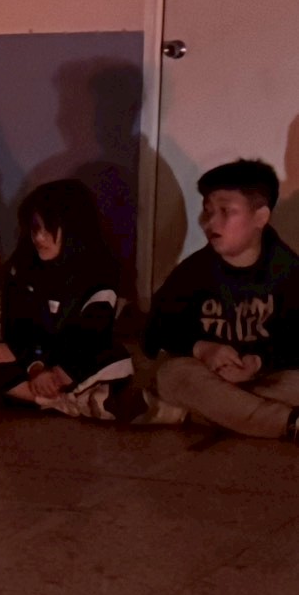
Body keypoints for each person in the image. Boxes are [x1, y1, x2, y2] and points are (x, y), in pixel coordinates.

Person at [126, 159, 299, 436]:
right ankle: (286, 423)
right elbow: (153, 333)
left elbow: (294, 342)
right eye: (207, 211)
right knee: (173, 375)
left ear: (260, 217)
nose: (210, 222)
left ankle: (209, 413)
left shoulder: (288, 271)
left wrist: (257, 363)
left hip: (262, 378)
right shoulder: (194, 271)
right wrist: (202, 349)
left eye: (226, 211)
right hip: (207, 376)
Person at [0, 180, 132, 416]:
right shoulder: (22, 267)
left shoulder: (99, 272)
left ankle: (15, 394)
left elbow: (90, 333)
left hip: (70, 362)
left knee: (111, 354)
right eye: (35, 229)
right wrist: (34, 365)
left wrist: (52, 370)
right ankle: (54, 401)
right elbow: (17, 328)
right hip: (29, 360)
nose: (40, 238)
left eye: (48, 229)